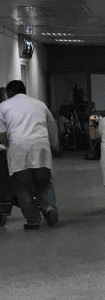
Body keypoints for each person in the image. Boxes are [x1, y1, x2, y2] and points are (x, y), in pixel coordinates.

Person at [0, 80, 59, 230]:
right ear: (25, 90)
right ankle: (50, 208)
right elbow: (52, 128)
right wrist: (53, 145)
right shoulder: (39, 104)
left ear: (8, 93)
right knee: (44, 182)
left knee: (22, 186)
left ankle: (33, 221)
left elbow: (1, 135)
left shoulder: (3, 106)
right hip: (41, 146)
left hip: (19, 147)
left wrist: (9, 145)